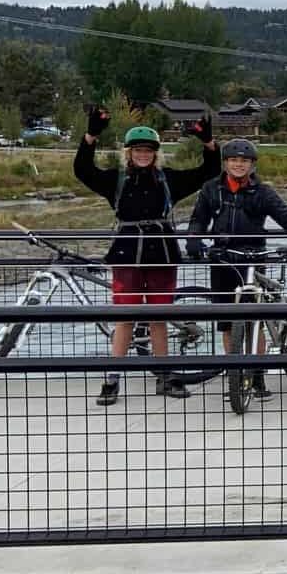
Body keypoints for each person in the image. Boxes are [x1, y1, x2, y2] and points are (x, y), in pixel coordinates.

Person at [72, 105, 220, 406]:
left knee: (159, 318)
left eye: (148, 150)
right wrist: (91, 136)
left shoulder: (168, 180)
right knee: (124, 318)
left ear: (155, 153)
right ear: (129, 152)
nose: (143, 154)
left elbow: (209, 171)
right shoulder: (116, 180)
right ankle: (112, 380)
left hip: (162, 255)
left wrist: (208, 143)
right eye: (138, 150)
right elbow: (83, 170)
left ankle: (165, 376)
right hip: (127, 256)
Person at [185, 139, 287, 397]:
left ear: (252, 165)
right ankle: (235, 374)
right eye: (233, 160)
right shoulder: (211, 189)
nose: (238, 164)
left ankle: (257, 376)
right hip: (222, 258)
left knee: (255, 322)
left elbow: (286, 217)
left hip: (253, 258)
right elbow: (199, 218)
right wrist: (194, 240)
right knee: (227, 323)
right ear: (226, 163)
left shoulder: (262, 192)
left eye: (244, 161)